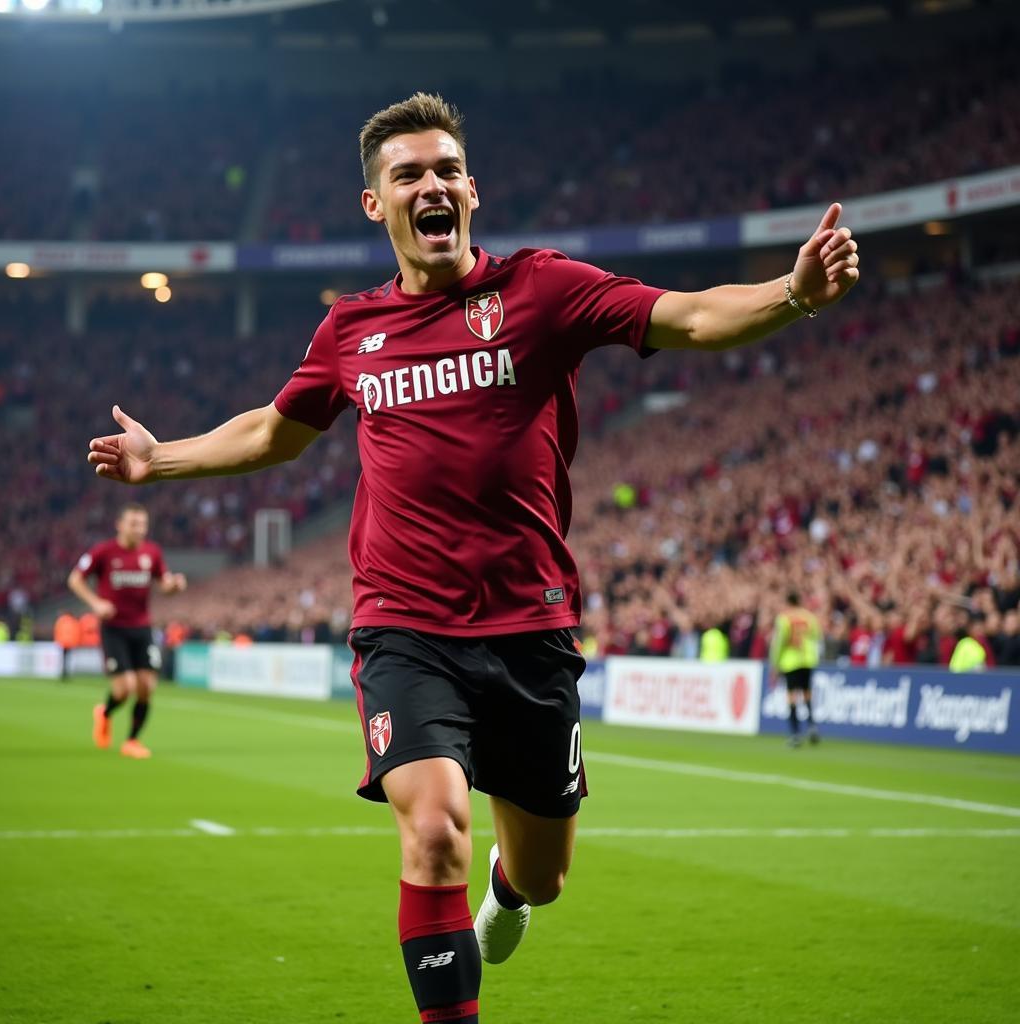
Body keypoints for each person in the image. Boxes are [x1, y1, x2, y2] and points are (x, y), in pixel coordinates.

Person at [85, 93, 860, 1023]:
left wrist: (791, 296)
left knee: (545, 874)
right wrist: (159, 458)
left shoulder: (542, 288)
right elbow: (273, 432)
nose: (432, 185)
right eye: (408, 175)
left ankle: (512, 887)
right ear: (377, 204)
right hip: (405, 626)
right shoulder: (350, 333)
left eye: (447, 169)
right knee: (434, 829)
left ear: (473, 190)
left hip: (531, 629)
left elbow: (688, 316)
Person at [67, 502, 187, 758]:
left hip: (142, 628)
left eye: (143, 524)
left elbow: (163, 584)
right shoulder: (103, 551)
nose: (139, 529)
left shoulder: (152, 553)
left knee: (146, 687)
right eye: (134, 524)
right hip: (113, 629)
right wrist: (96, 603)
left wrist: (174, 585)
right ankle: (105, 712)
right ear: (120, 525)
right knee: (125, 688)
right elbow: (75, 579)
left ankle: (131, 741)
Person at [769, 591, 822, 747]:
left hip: (790, 660)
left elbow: (779, 642)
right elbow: (817, 636)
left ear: (788, 602)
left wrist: (775, 664)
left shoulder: (784, 618)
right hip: (807, 659)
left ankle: (795, 734)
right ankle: (812, 726)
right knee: (807, 694)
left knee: (792, 696)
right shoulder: (809, 617)